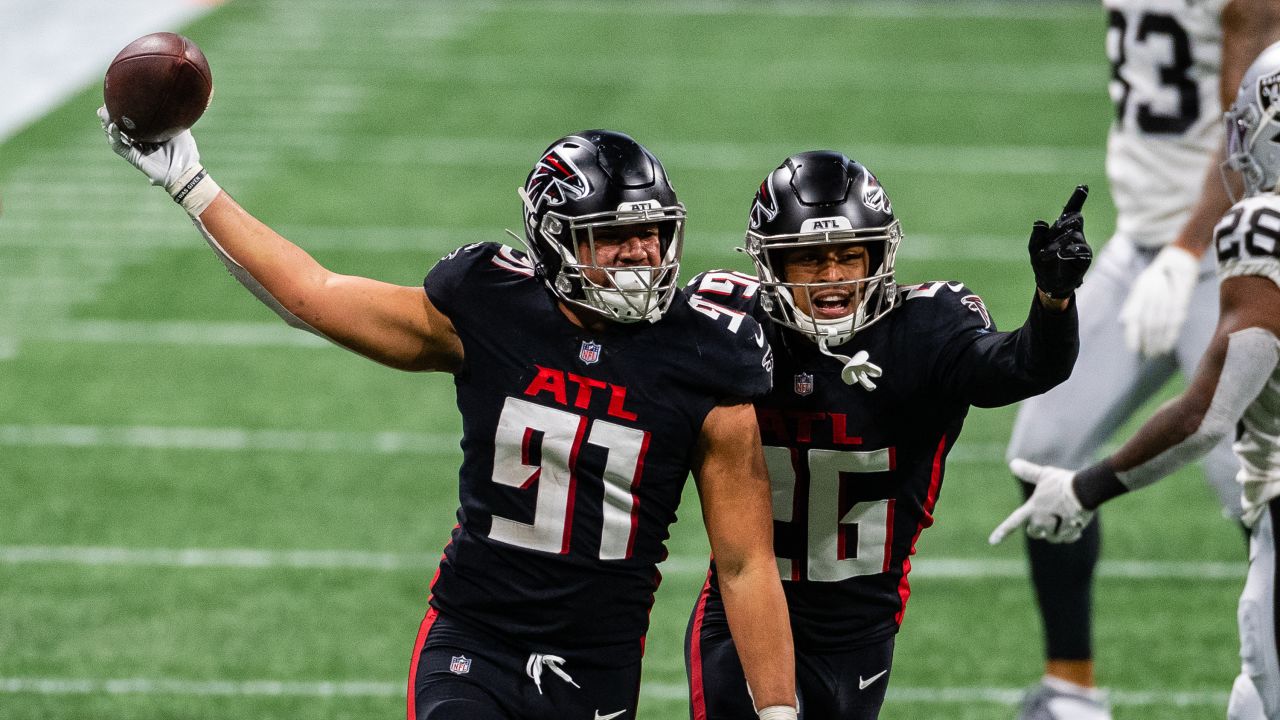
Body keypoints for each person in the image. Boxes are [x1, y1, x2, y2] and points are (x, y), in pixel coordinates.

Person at [96, 115, 800, 720]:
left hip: (598, 664)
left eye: (651, 233)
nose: (641, 253)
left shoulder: (706, 353)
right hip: (474, 639)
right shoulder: (491, 308)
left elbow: (744, 563)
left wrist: (777, 710)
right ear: (554, 240)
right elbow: (315, 295)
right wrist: (192, 184)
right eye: (611, 235)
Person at [681, 150, 1091, 719]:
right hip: (740, 613)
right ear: (771, 265)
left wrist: (1053, 300)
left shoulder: (924, 331)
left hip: (862, 630)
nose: (833, 277)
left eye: (850, 256)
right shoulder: (727, 323)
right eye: (809, 260)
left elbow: (1024, 365)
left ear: (879, 254)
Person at [1004, 2, 1280, 716]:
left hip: (1222, 251)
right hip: (1138, 246)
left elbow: (1248, 125)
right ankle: (1071, 690)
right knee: (1042, 451)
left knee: (1258, 494)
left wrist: (1187, 253)